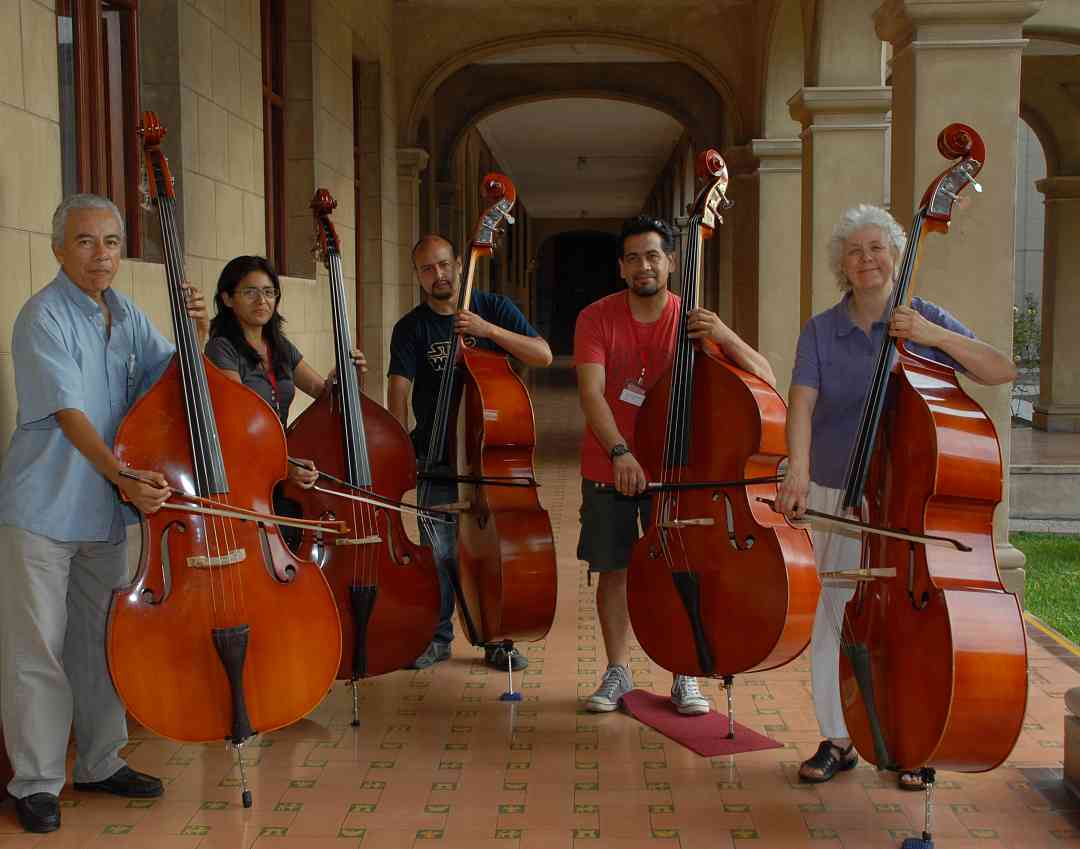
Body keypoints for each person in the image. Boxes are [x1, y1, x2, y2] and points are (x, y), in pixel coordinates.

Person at [774, 204, 1017, 787]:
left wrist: (930, 335)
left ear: (896, 256)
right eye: (855, 252)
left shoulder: (925, 318)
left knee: (914, 627)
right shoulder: (821, 330)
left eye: (877, 248)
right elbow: (802, 401)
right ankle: (838, 738)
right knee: (837, 615)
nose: (867, 260)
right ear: (843, 265)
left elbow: (999, 369)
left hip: (909, 500)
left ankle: (914, 739)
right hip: (839, 489)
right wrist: (798, 471)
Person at [0, 194, 208, 833]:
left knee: (99, 642)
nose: (101, 255)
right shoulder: (42, 316)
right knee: (37, 648)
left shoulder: (125, 313)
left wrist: (197, 337)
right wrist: (122, 475)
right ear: (59, 248)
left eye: (112, 242)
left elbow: (167, 381)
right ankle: (35, 782)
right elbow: (70, 415)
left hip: (104, 512)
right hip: (42, 507)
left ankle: (100, 761)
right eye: (86, 242)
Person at [574, 214, 776, 715]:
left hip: (681, 470)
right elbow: (592, 392)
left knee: (683, 564)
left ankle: (683, 672)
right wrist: (620, 452)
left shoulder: (693, 322)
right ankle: (617, 671)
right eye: (634, 257)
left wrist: (725, 335)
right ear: (621, 268)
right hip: (610, 462)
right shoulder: (596, 318)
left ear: (672, 262)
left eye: (653, 255)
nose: (644, 265)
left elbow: (766, 378)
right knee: (615, 567)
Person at [388, 234, 553, 670]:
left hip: (489, 460)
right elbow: (399, 391)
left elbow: (543, 355)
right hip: (436, 458)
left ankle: (498, 637)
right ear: (418, 275)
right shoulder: (411, 327)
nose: (438, 275)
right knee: (439, 554)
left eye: (444, 264)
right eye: (427, 268)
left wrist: (487, 331)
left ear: (460, 263)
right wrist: (403, 445)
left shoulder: (493, 307)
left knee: (493, 551)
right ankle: (438, 637)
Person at [203, 255, 365, 547]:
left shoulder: (279, 345)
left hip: (279, 465)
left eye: (269, 292)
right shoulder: (221, 348)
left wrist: (343, 374)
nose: (261, 300)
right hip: (244, 466)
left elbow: (321, 391)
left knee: (290, 541)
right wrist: (283, 465)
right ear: (227, 299)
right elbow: (239, 418)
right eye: (250, 292)